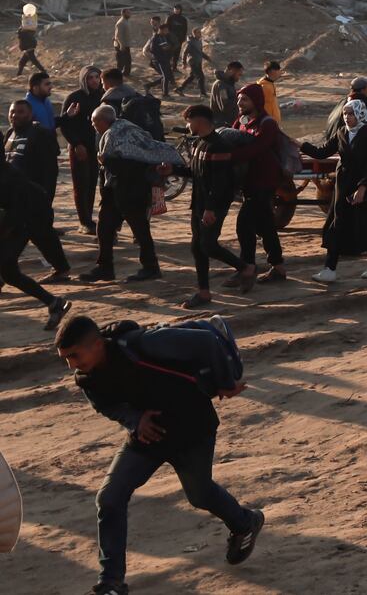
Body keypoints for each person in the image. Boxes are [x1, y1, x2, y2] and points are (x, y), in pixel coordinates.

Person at [56, 314, 264, 595]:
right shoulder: (86, 377)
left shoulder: (143, 344)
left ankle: (245, 522)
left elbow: (205, 340)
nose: (71, 365)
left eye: (74, 355)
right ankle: (111, 583)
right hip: (148, 436)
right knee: (109, 498)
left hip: (193, 429)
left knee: (200, 495)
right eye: (65, 358)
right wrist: (135, 419)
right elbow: (107, 406)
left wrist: (225, 382)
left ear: (97, 344)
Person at [170, 104, 253, 308]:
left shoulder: (219, 146)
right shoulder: (199, 143)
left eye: (189, 121)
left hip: (213, 204)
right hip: (199, 203)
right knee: (197, 247)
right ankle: (204, 293)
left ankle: (245, 268)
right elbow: (195, 173)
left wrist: (211, 209)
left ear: (199, 121)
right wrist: (172, 170)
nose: (187, 126)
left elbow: (220, 182)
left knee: (208, 245)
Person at [303, 100, 367, 281]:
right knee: (337, 224)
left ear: (359, 114)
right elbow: (323, 152)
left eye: (351, 113)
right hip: (343, 185)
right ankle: (329, 269)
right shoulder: (342, 133)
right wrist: (301, 145)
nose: (347, 117)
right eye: (345, 114)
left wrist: (362, 188)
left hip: (364, 187)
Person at [80, 105, 164, 284]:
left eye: (95, 122)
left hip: (131, 190)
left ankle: (151, 267)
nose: (93, 126)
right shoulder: (124, 128)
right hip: (116, 190)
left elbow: (129, 165)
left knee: (140, 230)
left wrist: (106, 161)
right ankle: (105, 268)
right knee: (104, 228)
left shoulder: (116, 134)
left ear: (103, 121)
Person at [0, 159, 72, 328]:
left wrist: (5, 231)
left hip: (26, 219)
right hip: (15, 219)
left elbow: (17, 212)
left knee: (8, 269)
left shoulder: (9, 176)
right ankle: (55, 304)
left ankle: (55, 304)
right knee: (9, 272)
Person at [230, 84, 288, 281]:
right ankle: (278, 267)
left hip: (264, 181)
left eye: (244, 99)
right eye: (239, 99)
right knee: (265, 225)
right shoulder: (241, 121)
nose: (239, 103)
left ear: (256, 101)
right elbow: (230, 139)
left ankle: (247, 268)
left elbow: (255, 149)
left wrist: (226, 156)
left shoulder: (267, 124)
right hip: (249, 181)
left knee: (244, 224)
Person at [61, 65, 105, 235]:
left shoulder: (102, 97)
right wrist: (76, 144)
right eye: (90, 78)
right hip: (79, 147)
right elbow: (66, 125)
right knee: (81, 183)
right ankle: (84, 222)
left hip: (96, 146)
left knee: (92, 182)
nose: (94, 80)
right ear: (83, 80)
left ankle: (89, 219)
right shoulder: (75, 97)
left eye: (96, 77)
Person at [209, 60, 244, 128]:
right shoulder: (221, 85)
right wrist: (239, 101)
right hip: (221, 125)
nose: (239, 78)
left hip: (228, 124)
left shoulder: (229, 84)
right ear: (231, 70)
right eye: (238, 74)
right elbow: (225, 106)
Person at [176, 29, 210, 95]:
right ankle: (203, 93)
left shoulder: (199, 42)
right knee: (201, 77)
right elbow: (185, 53)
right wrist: (184, 63)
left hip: (198, 61)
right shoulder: (190, 42)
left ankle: (180, 89)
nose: (200, 34)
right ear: (194, 34)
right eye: (198, 33)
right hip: (193, 61)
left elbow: (200, 52)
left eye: (200, 32)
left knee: (192, 77)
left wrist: (207, 57)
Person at [113, 8, 133, 75]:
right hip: (121, 45)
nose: (129, 14)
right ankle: (118, 75)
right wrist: (121, 45)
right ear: (123, 13)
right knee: (121, 62)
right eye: (128, 13)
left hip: (126, 44)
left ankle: (126, 73)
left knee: (127, 61)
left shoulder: (126, 21)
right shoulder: (121, 23)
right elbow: (118, 36)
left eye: (130, 13)